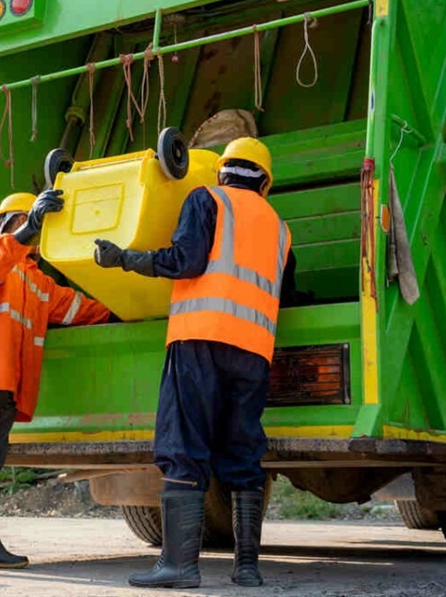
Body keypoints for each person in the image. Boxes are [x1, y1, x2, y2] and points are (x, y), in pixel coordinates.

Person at [93, 137, 297, 589]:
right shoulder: (281, 229)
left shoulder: (207, 199)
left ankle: (180, 567)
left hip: (199, 340)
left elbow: (184, 261)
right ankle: (247, 568)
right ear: (265, 182)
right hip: (253, 352)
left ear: (223, 170)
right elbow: (288, 293)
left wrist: (125, 258)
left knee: (183, 446)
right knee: (243, 451)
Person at [0, 189, 112, 574]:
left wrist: (122, 307)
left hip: (7, 383)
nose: (33, 230)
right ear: (12, 222)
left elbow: (77, 307)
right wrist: (29, 226)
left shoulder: (38, 281)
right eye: (29, 221)